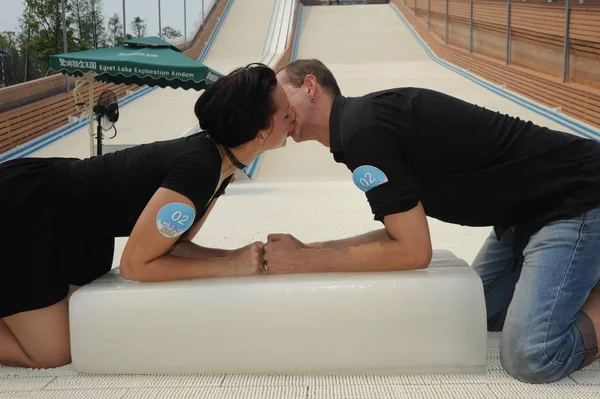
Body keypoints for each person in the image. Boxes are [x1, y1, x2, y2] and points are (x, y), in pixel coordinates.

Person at [263, 58, 600, 384]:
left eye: (280, 94)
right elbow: (399, 232)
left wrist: (307, 261)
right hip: (523, 217)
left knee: (532, 356)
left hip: (575, 199)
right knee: (477, 312)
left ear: (310, 86)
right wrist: (312, 248)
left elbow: (413, 252)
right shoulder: (358, 129)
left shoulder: (363, 130)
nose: (277, 109)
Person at [0, 62, 295, 369]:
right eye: (286, 114)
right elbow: (135, 265)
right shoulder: (200, 168)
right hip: (27, 210)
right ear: (261, 134)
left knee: (82, 325)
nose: (293, 118)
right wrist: (230, 265)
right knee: (54, 352)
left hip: (76, 229)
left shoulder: (220, 166)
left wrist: (242, 256)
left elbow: (174, 246)